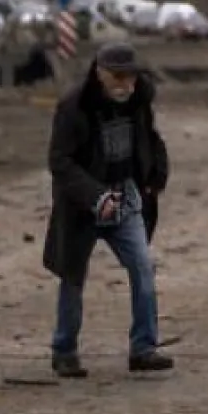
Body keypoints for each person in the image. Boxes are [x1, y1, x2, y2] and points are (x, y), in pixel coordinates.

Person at [43, 42, 173, 379]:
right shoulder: (73, 106)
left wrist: (157, 174)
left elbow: (151, 138)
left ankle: (143, 348)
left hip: (126, 198)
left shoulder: (140, 100)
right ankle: (64, 350)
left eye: (131, 77)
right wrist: (95, 196)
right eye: (118, 77)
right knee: (73, 277)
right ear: (99, 73)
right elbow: (60, 161)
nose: (125, 85)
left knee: (143, 268)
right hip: (82, 205)